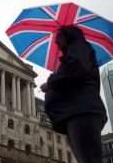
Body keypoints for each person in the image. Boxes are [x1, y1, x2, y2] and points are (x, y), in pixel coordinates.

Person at [40, 26, 107, 163]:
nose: (56, 42)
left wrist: (51, 82)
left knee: (89, 159)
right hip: (75, 112)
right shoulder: (74, 54)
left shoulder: (79, 49)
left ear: (68, 36)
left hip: (81, 111)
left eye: (59, 37)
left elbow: (75, 69)